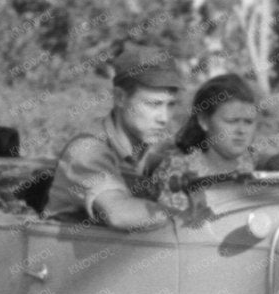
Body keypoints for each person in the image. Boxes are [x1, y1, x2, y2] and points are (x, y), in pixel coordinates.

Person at [44, 46, 184, 229]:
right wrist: (190, 210)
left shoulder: (152, 153)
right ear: (120, 98)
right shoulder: (86, 152)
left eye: (170, 105)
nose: (164, 118)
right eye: (153, 104)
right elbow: (120, 214)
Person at [165, 73, 262, 178]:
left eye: (248, 122)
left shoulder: (256, 164)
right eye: (232, 121)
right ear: (203, 121)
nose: (241, 130)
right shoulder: (178, 170)